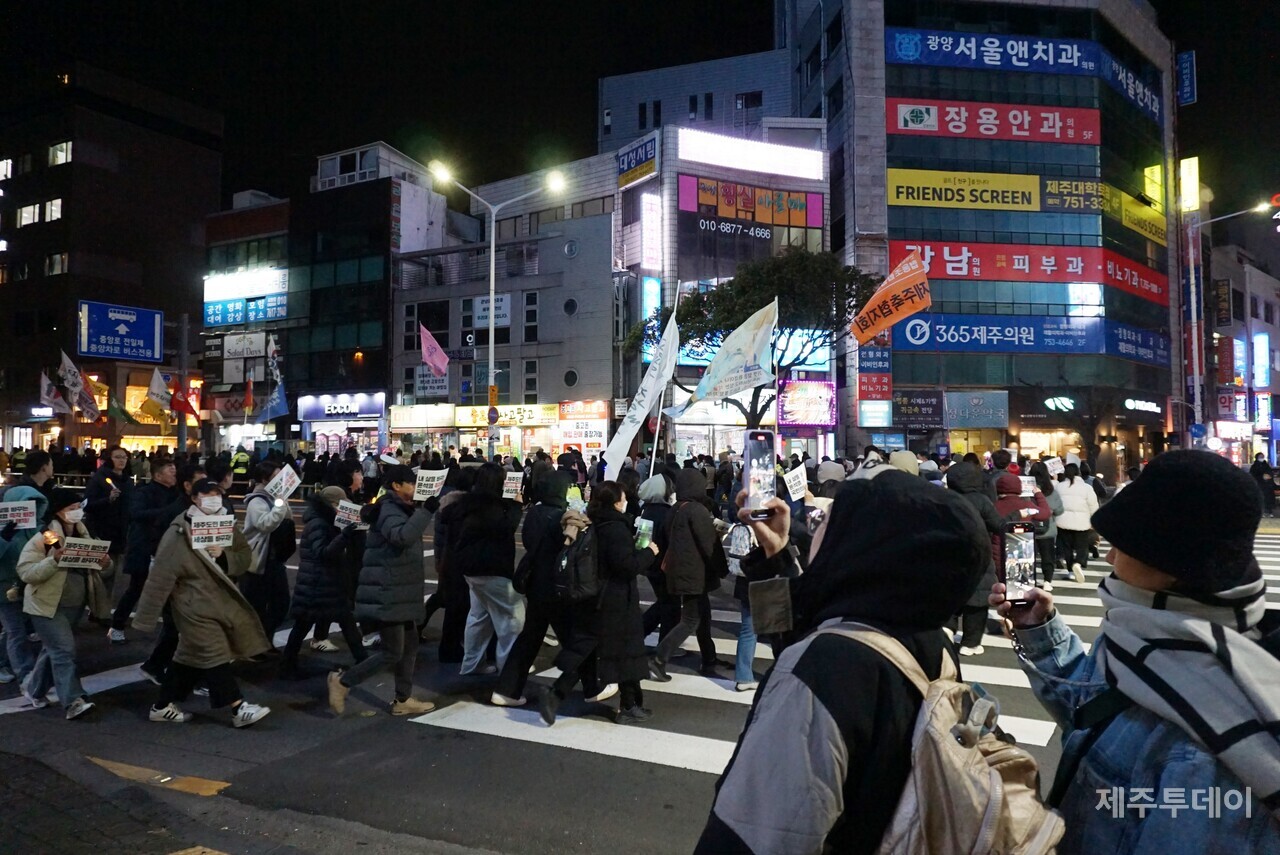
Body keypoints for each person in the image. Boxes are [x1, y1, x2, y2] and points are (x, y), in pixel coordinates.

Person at [991, 450, 1280, 852]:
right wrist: (1039, 629)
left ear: (1173, 563)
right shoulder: (1149, 639)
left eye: (1123, 547)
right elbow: (1092, 707)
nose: (1109, 557)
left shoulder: (1202, 757)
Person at [695, 471, 989, 853]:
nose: (814, 531)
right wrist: (777, 554)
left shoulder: (825, 667)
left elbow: (754, 834)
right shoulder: (929, 639)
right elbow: (801, 635)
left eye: (826, 523)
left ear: (864, 546)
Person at [134, 480, 271, 727]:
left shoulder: (226, 523)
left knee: (188, 658)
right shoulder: (179, 530)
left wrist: (224, 556)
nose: (213, 499)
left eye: (217, 494)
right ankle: (238, 708)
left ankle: (162, 706)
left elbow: (243, 555)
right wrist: (145, 616)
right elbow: (162, 574)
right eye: (207, 495)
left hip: (218, 600)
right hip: (192, 604)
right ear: (194, 498)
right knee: (215, 651)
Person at [539, 481, 659, 725]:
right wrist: (649, 553)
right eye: (623, 498)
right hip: (614, 600)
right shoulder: (615, 528)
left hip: (594, 598)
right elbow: (626, 567)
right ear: (616, 502)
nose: (626, 502)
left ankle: (556, 694)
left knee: (590, 650)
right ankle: (629, 706)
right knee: (625, 653)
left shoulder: (593, 521)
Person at [491, 471, 609, 707]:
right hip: (557, 587)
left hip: (536, 585)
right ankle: (592, 687)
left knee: (530, 639)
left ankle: (506, 689)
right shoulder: (559, 518)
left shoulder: (534, 513)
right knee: (577, 640)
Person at [327, 465, 437, 717]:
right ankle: (343, 681)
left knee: (409, 646)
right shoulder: (389, 509)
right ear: (397, 486)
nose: (415, 488)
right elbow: (401, 537)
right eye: (411, 483)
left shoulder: (401, 507)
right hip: (387, 590)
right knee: (392, 651)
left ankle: (403, 699)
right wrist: (425, 511)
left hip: (399, 589)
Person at [18, 488, 111, 719]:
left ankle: (34, 689)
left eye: (79, 508)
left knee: (54, 651)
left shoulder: (85, 536)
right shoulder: (45, 537)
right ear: (59, 512)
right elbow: (26, 572)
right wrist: (53, 561)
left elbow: (105, 572)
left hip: (74, 605)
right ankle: (73, 701)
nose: (78, 512)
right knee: (64, 651)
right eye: (72, 509)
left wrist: (105, 563)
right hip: (45, 606)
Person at [441, 462, 525, 675]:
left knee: (479, 617)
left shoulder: (467, 503)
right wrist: (516, 505)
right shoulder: (491, 507)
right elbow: (506, 528)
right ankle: (510, 671)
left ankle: (472, 664)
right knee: (513, 618)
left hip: (469, 569)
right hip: (491, 568)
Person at [648, 469, 729, 681]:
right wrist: (722, 568)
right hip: (695, 574)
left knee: (703, 617)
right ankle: (658, 658)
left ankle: (709, 658)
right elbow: (709, 545)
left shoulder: (675, 509)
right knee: (692, 620)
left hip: (680, 571)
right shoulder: (696, 511)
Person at [280, 487, 369, 679]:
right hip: (316, 582)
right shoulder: (318, 523)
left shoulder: (329, 520)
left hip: (327, 582)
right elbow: (323, 552)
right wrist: (345, 535)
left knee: (345, 620)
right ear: (331, 504)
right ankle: (287, 664)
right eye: (339, 503)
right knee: (304, 623)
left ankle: (363, 660)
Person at [110, 458, 183, 645]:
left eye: (175, 470)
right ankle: (117, 626)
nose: (174, 474)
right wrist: (166, 512)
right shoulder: (143, 492)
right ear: (157, 475)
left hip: (167, 547)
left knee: (170, 591)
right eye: (170, 471)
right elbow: (136, 514)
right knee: (137, 588)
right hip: (143, 547)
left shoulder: (177, 493)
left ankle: (172, 633)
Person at [941, 460, 1004, 655]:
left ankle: (946, 630)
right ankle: (970, 643)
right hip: (978, 555)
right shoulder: (982, 500)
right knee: (977, 602)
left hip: (948, 554)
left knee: (950, 597)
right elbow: (999, 526)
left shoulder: (944, 498)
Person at [240, 461, 294, 637]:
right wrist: (280, 503)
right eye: (276, 476)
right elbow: (266, 524)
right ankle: (257, 646)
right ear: (264, 479)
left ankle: (265, 640)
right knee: (257, 607)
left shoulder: (275, 497)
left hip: (275, 560)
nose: (281, 479)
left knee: (281, 604)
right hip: (259, 563)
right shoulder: (257, 501)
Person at [83, 446, 133, 625]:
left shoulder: (127, 480)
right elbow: (87, 504)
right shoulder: (100, 478)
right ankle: (100, 612)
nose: (122, 460)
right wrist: (108, 500)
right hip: (102, 531)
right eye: (118, 457)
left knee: (112, 575)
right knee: (102, 574)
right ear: (109, 459)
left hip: (120, 532)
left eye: (124, 457)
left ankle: (100, 611)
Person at [0, 484, 44, 686]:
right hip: (4, 587)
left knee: (14, 631)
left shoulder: (39, 527)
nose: (30, 509)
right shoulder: (3, 529)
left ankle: (4, 663)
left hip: (30, 585)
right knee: (15, 631)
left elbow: (57, 548)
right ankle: (25, 674)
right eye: (25, 504)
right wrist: (4, 536)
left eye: (35, 505)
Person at [1056, 462, 1099, 584]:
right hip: (1082, 522)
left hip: (1062, 521)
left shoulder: (1059, 487)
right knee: (1082, 546)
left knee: (1067, 547)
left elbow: (1056, 504)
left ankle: (1070, 571)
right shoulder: (1086, 488)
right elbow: (1093, 505)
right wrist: (1094, 519)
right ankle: (1078, 563)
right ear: (1078, 473)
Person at [1029, 461, 1065, 588]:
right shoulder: (1051, 490)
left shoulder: (1025, 490)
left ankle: (1029, 580)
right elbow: (1060, 510)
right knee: (1048, 556)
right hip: (1047, 528)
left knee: (1029, 557)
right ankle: (1047, 581)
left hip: (1028, 528)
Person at [1251, 452, 1276, 517]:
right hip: (1260, 486)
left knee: (1269, 499)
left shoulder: (1266, 465)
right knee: (1261, 498)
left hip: (1268, 486)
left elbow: (1270, 472)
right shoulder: (1254, 466)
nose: (1262, 458)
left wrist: (1269, 476)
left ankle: (1269, 511)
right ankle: (1263, 512)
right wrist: (1261, 477)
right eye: (1260, 456)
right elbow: (1253, 475)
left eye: (1263, 456)